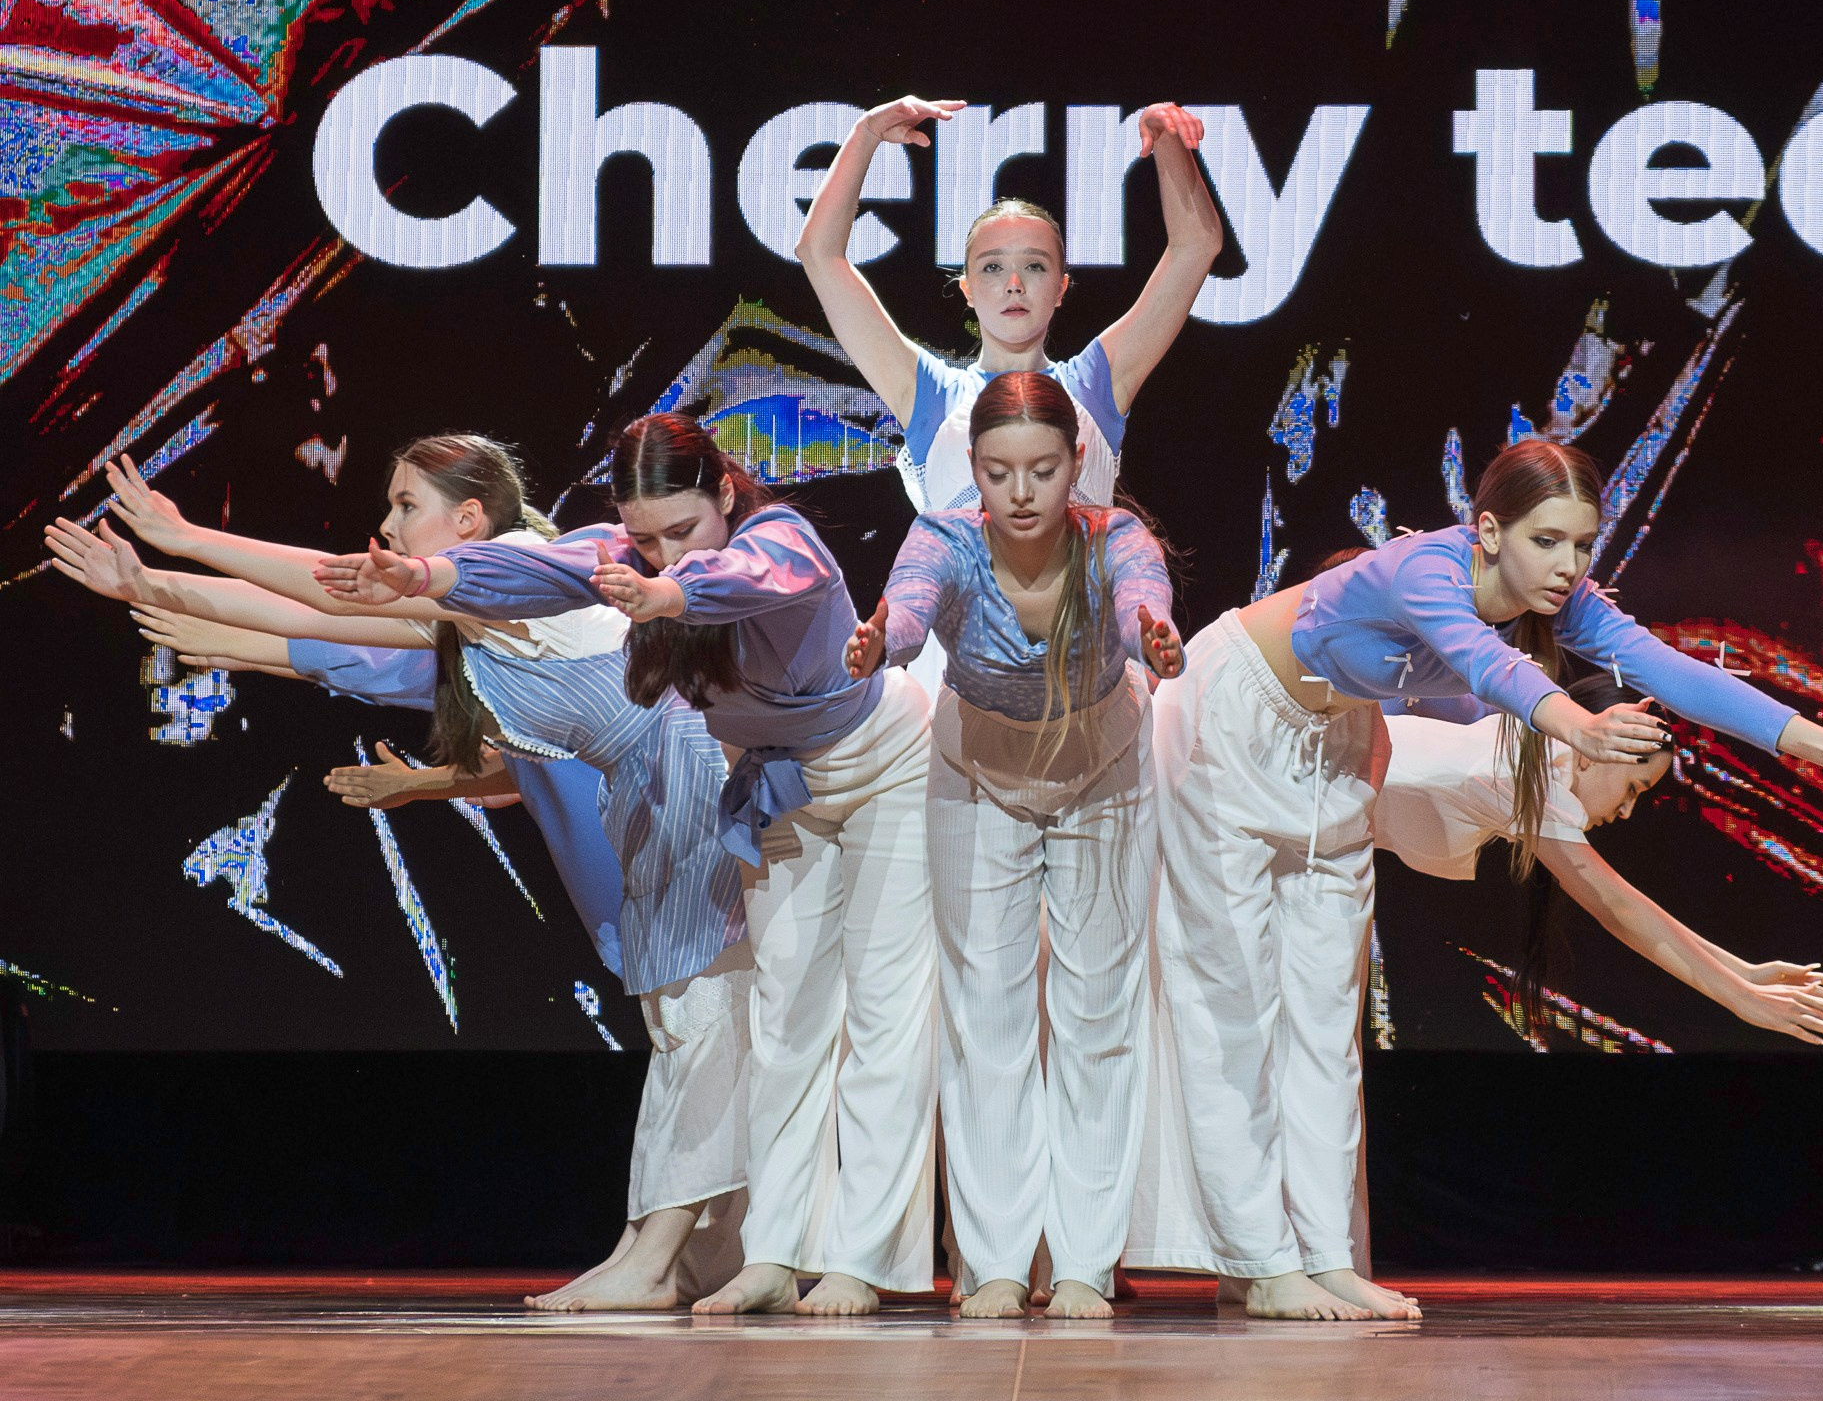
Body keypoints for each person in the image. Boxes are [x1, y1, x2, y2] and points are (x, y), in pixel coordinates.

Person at [1132, 438, 1823, 1322]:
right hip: (1232, 714)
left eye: (1583, 545)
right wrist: (1580, 730)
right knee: (1237, 1003)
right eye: (1547, 542)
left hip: (1339, 740)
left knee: (1327, 1013)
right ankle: (1257, 1259)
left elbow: (1674, 673)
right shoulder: (1426, 568)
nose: (1568, 567)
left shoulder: (1567, 602)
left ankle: (1320, 1256)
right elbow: (1490, 667)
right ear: (1489, 531)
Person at [46, 439, 752, 1312]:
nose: (387, 524)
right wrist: (152, 583)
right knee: (692, 1038)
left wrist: (182, 539)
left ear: (468, 519)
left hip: (688, 807)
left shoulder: (526, 568)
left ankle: (664, 1256)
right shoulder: (472, 614)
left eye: (406, 504)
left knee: (704, 1032)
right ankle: (665, 1251)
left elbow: (326, 586)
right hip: (648, 825)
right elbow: (324, 622)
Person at [319, 414, 937, 1318]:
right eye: (644, 536)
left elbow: (745, 578)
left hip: (886, 766)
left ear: (724, 492)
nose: (659, 552)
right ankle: (775, 1251)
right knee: (787, 1018)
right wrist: (420, 575)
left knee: (882, 1016)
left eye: (680, 531)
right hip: (782, 787)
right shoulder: (627, 555)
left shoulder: (777, 537)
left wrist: (670, 592)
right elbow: (533, 568)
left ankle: (860, 1260)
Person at [846, 374, 1180, 1320]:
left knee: (1098, 1016)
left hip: (1102, 763)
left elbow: (1138, 603)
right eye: (998, 474)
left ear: (1078, 463)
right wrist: (883, 642)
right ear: (973, 473)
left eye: (1042, 470)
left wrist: (1150, 638)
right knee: (986, 1015)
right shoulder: (945, 537)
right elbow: (908, 609)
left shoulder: (1116, 538)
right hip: (980, 770)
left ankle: (1082, 1262)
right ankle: (994, 1260)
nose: (1021, 493)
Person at [795, 94, 1222, 519]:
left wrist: (1165, 138)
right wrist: (864, 134)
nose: (1014, 285)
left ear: (1061, 288)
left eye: (1034, 266)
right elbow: (819, 254)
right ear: (967, 289)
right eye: (993, 267)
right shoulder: (928, 395)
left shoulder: (1096, 387)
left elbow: (1196, 246)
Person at [1377, 673, 1823, 1046]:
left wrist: (1745, 972)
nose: (1627, 811)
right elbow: (1619, 908)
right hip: (1307, 805)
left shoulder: (1533, 757)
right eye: (1633, 789)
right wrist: (1743, 999)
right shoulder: (1529, 772)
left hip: (1324, 823)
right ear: (1595, 752)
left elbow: (1629, 906)